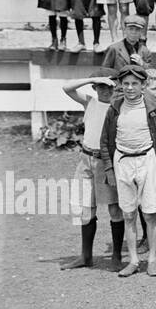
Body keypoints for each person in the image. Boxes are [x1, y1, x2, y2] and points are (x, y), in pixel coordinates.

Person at [98, 64, 156, 278]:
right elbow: (105, 141)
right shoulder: (115, 108)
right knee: (128, 213)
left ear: (143, 85)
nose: (130, 88)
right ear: (121, 85)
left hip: (147, 160)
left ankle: (152, 259)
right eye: (126, 83)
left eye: (135, 84)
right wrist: (110, 170)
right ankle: (133, 260)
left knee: (149, 213)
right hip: (122, 160)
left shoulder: (153, 108)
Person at [62, 74, 125, 270]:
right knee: (85, 209)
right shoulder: (89, 102)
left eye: (109, 87)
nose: (105, 91)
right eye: (100, 86)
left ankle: (116, 256)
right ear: (94, 88)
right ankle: (86, 256)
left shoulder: (119, 107)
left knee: (114, 208)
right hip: (85, 159)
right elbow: (67, 87)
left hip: (106, 161)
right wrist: (93, 79)